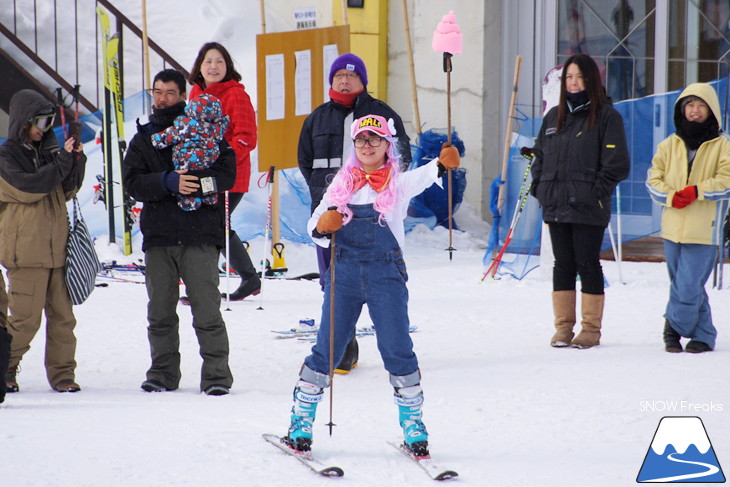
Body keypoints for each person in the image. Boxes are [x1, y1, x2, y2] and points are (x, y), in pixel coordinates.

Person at [281, 114, 459, 457]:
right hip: (344, 275)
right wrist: (322, 225)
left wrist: (440, 165)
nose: (367, 146)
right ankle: (300, 420)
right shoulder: (339, 186)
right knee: (328, 348)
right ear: (354, 145)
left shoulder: (396, 181)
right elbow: (312, 226)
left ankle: (413, 425)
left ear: (386, 145)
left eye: (374, 140)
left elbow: (421, 178)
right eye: (361, 140)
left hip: (386, 275)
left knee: (397, 347)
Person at [123, 69, 236, 395]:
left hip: (199, 235)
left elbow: (227, 174)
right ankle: (162, 373)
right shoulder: (144, 138)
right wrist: (166, 181)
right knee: (159, 312)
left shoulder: (204, 130)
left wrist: (198, 185)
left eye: (169, 92)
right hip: (159, 238)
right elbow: (132, 183)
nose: (161, 98)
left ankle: (216, 376)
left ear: (182, 96)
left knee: (206, 311)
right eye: (156, 92)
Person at [298, 52, 412, 373]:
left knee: (379, 285)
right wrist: (329, 195)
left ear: (363, 81)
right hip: (330, 211)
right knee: (333, 283)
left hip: (374, 213)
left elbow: (403, 156)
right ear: (331, 81)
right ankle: (343, 348)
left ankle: (391, 351)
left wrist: (382, 189)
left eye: (351, 76)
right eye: (338, 76)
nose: (344, 80)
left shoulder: (383, 115)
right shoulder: (316, 118)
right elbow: (306, 162)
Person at [530, 54, 630, 349]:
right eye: (569, 77)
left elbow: (616, 164)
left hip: (589, 205)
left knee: (587, 263)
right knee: (562, 265)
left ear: (592, 80)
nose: (573, 83)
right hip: (556, 202)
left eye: (579, 77)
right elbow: (540, 155)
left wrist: (594, 193)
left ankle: (590, 329)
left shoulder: (607, 117)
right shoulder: (554, 116)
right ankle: (563, 328)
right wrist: (540, 188)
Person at [0, 89, 87, 393]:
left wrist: (75, 161)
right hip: (26, 252)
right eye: (40, 121)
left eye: (49, 121)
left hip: (56, 251)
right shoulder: (6, 156)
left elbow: (64, 190)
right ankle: (5, 368)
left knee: (63, 319)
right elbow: (29, 189)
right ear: (24, 120)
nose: (44, 128)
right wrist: (61, 163)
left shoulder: (47, 152)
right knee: (25, 320)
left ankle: (63, 374)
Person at [646, 82, 730, 353]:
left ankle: (672, 326)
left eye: (701, 105)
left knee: (687, 285)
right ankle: (705, 335)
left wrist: (698, 191)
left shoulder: (722, 145)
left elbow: (727, 181)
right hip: (672, 228)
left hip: (705, 229)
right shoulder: (669, 145)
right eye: (690, 105)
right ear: (682, 110)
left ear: (711, 110)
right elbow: (653, 179)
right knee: (687, 286)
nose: (695, 110)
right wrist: (671, 196)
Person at [188, 42, 260, 301]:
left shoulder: (235, 95)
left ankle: (241, 279)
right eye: (208, 61)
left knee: (215, 224)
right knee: (213, 224)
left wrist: (220, 158)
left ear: (228, 66)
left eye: (219, 61)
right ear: (200, 66)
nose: (213, 66)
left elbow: (246, 137)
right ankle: (245, 278)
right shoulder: (195, 92)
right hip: (201, 172)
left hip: (230, 175)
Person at [151, 93, 230, 211]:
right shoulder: (217, 130)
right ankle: (210, 197)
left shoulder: (184, 126)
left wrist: (155, 139)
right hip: (207, 165)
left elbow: (167, 137)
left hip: (186, 164)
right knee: (207, 184)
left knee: (187, 184)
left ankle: (188, 201)